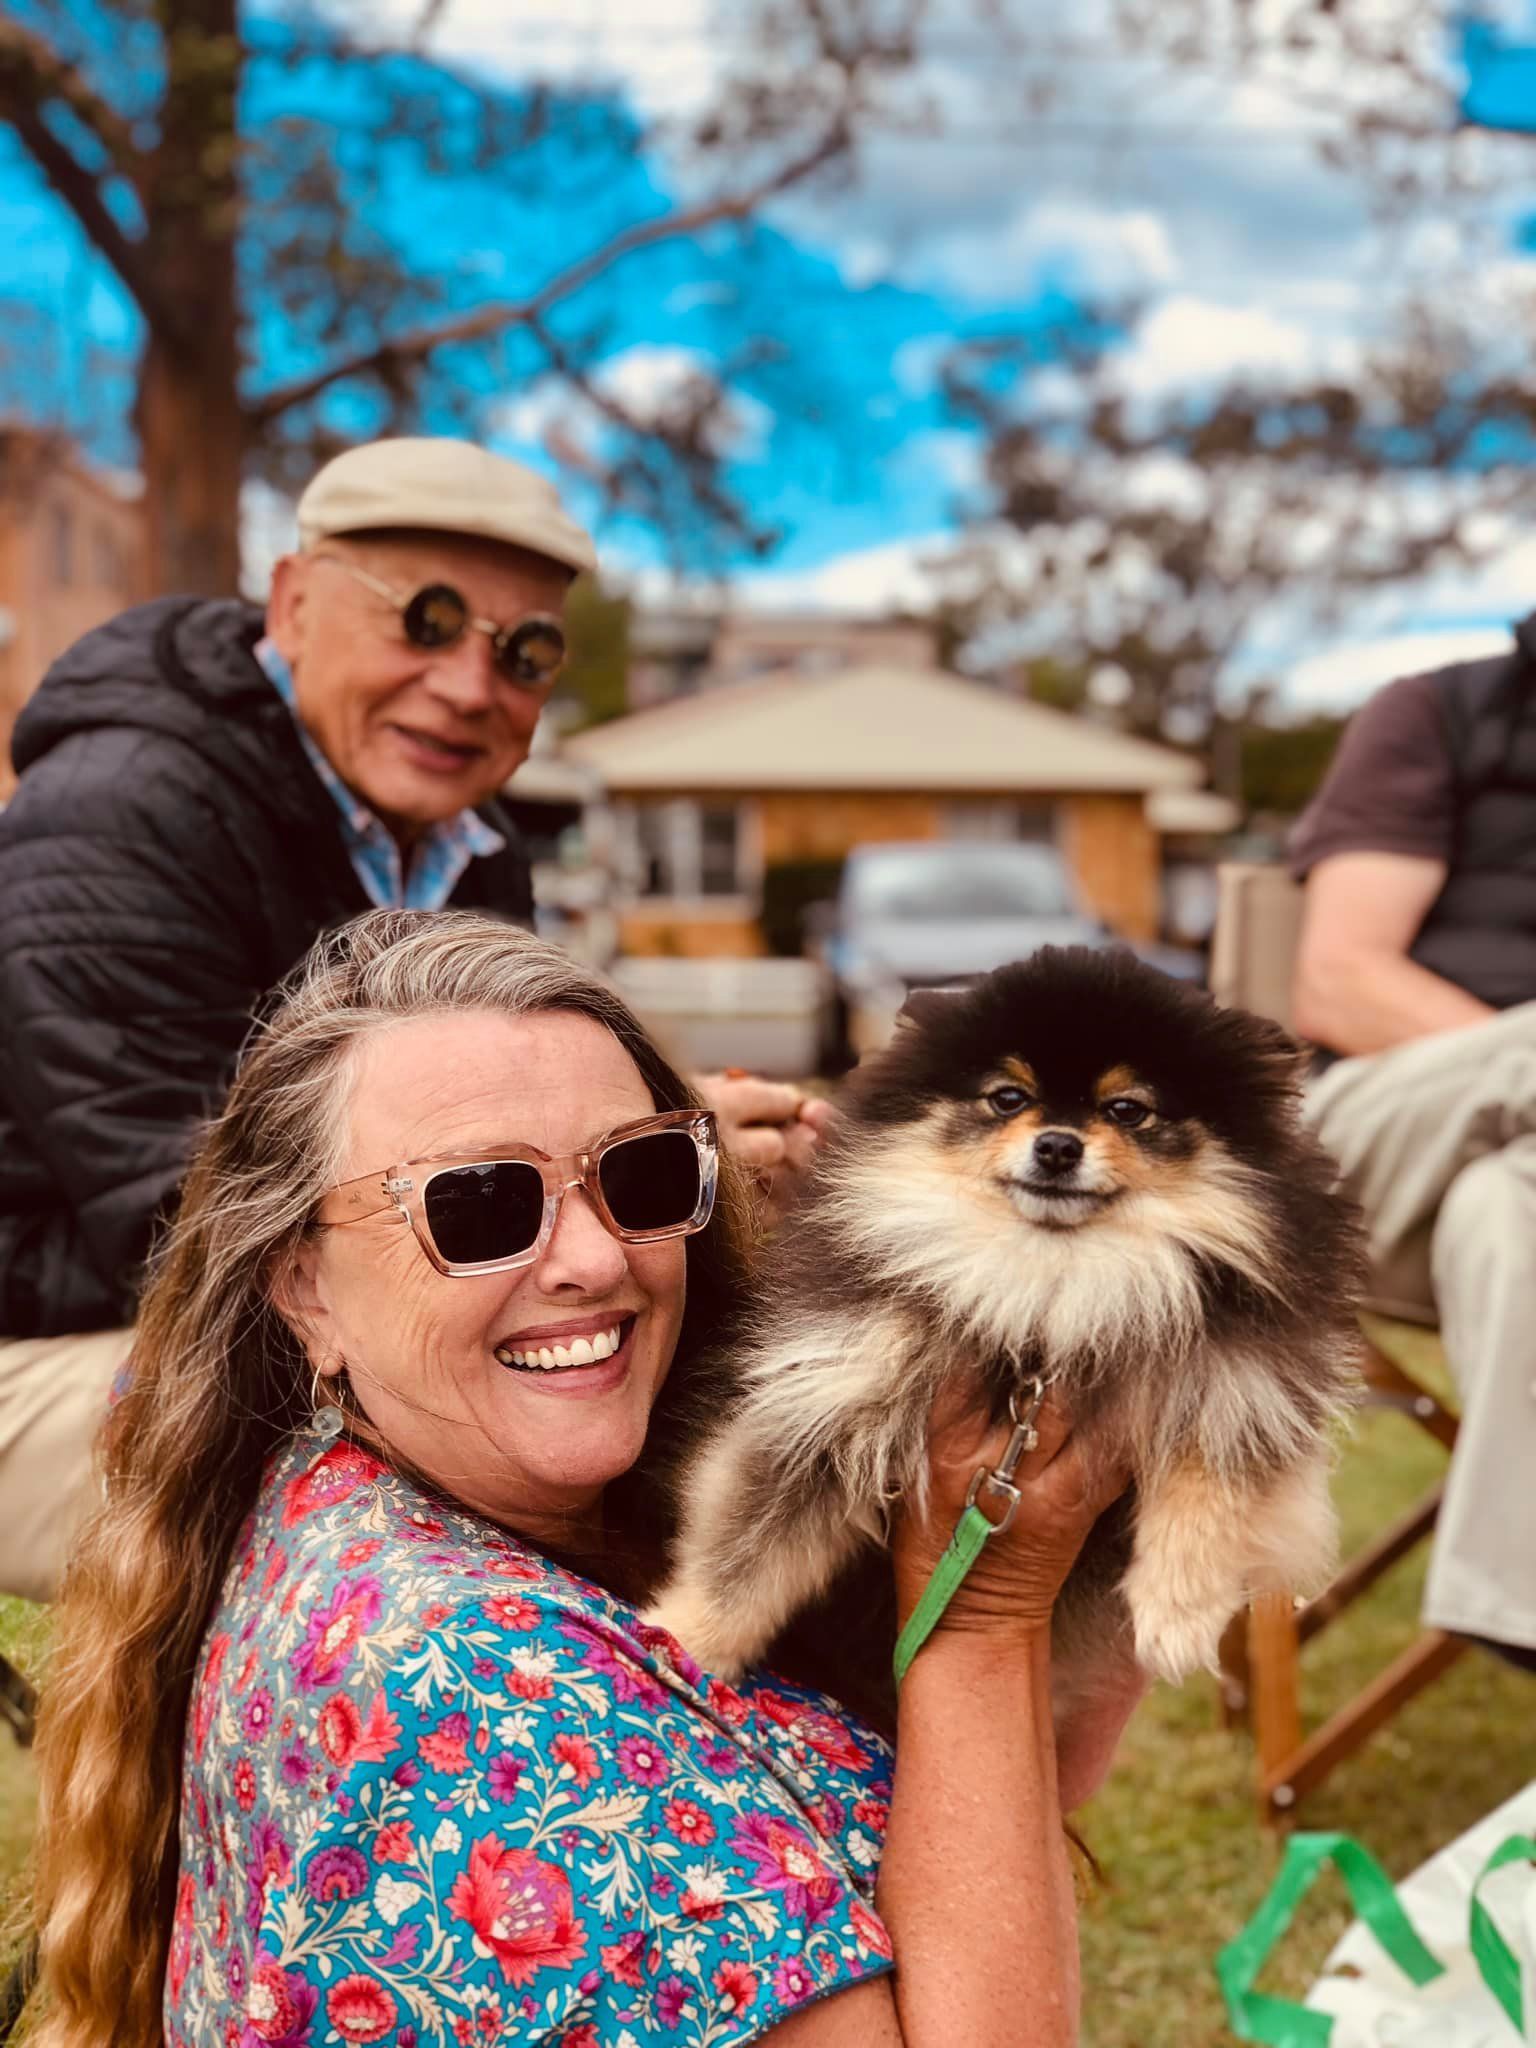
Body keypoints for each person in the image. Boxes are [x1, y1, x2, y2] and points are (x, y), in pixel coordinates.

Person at [25, 909, 1135, 2048]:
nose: (597, 1258)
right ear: (304, 1286)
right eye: (481, 1204)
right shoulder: (474, 1681)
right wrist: (984, 1605)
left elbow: (1009, 1802)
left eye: (641, 1174)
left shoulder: (337, 1478)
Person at [0, 435, 822, 1606]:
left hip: (249, 1291)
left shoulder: (469, 845)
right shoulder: (117, 813)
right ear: (292, 602)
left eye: (524, 650)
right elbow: (185, 1226)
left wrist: (674, 1160)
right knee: (454, 1418)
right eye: (425, 620)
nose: (471, 685)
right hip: (48, 1337)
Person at [1289, 619, 1536, 1670]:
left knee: (1509, 1209)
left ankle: (1516, 1604)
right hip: (1379, 1143)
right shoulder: (1444, 714)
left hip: (1498, 1188)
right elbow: (1341, 982)